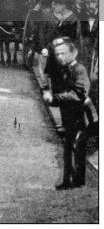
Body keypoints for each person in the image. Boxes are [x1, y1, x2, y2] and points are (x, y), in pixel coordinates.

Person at [42, 37, 91, 189]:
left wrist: (53, 99)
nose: (60, 57)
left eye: (63, 53)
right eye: (57, 54)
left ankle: (75, 180)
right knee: (69, 146)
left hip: (81, 115)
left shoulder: (79, 70)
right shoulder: (64, 69)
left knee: (76, 145)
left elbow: (77, 95)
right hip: (69, 114)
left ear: (73, 53)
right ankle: (69, 180)